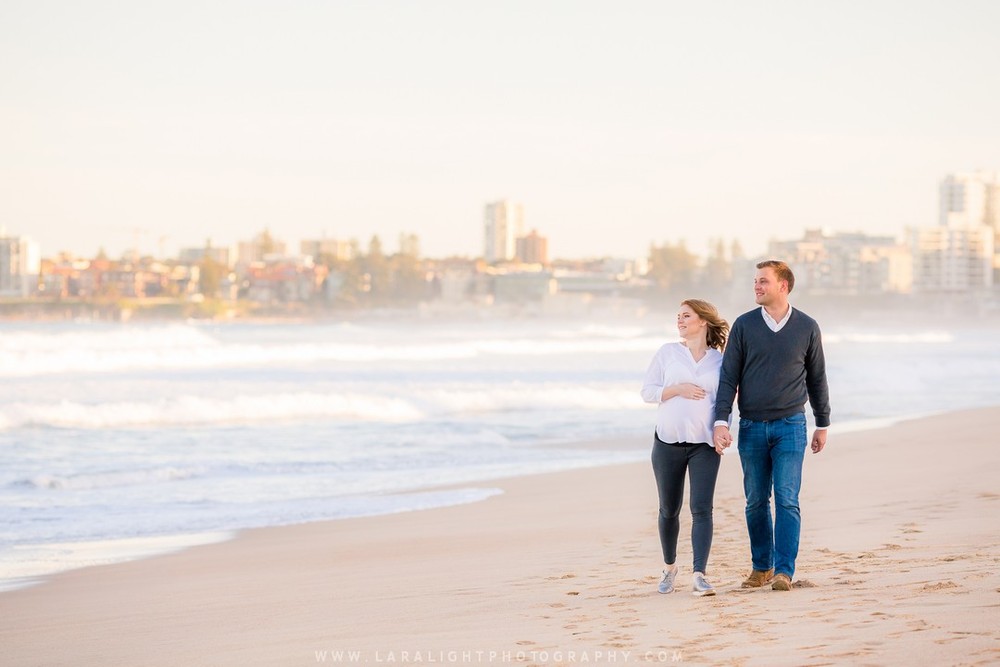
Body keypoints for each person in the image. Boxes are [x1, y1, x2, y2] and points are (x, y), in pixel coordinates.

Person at [712, 260, 831, 592]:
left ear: (784, 285)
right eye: (755, 281)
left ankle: (783, 571)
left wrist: (823, 422)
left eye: (763, 281)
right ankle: (761, 567)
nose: (757, 287)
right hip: (751, 426)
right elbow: (728, 378)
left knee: (787, 499)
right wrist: (722, 420)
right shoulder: (744, 326)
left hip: (791, 426)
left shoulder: (807, 326)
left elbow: (818, 378)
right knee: (754, 500)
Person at [641, 299, 730, 597]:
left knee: (702, 509)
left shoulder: (719, 360)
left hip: (704, 445)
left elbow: (726, 403)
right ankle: (669, 568)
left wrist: (725, 429)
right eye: (678, 315)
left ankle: (699, 574)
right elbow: (647, 391)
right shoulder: (668, 353)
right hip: (667, 443)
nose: (680, 320)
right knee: (669, 509)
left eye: (686, 316)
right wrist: (677, 389)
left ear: (703, 321)